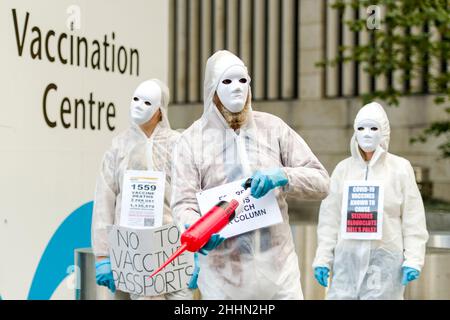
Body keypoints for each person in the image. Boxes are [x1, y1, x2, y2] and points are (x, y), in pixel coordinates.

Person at [171, 50, 330, 299]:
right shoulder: (191, 141)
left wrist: (283, 176)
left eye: (243, 80)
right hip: (224, 279)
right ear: (212, 87)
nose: (237, 88)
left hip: (280, 276)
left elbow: (321, 182)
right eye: (227, 81)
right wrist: (196, 228)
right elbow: (184, 203)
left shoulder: (273, 129)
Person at [312, 102, 429, 299]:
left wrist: (413, 259)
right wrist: (322, 258)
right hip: (346, 264)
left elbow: (413, 218)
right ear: (354, 132)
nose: (367, 134)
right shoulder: (343, 169)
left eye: (374, 128)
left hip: (384, 264)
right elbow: (329, 219)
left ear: (384, 132)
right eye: (361, 128)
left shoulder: (400, 168)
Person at [91, 79, 193, 300]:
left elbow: (192, 195)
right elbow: (104, 202)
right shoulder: (119, 147)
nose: (137, 105)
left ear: (160, 110)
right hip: (133, 252)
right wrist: (102, 256)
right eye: (135, 99)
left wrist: (200, 246)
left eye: (146, 102)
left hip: (175, 250)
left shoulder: (178, 145)